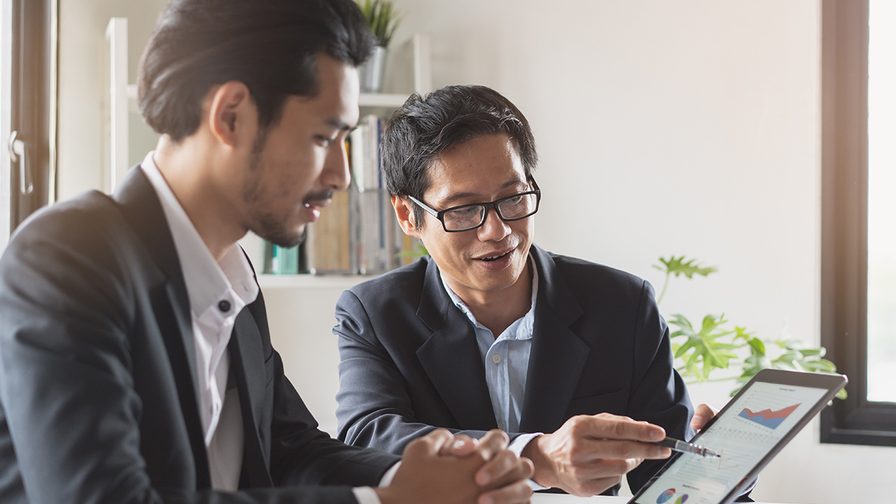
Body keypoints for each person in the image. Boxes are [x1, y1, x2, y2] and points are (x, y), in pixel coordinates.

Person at [0, 3, 533, 503]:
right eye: (324, 138)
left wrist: (429, 477)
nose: (340, 176)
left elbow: (288, 448)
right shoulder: (68, 260)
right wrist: (382, 500)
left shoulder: (233, 279)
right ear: (231, 115)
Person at [333, 84, 722, 497]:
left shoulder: (623, 306)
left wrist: (723, 465)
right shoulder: (374, 314)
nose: (498, 231)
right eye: (464, 209)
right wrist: (535, 457)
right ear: (407, 215)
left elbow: (672, 483)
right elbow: (368, 438)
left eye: (513, 198)